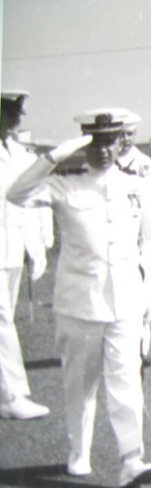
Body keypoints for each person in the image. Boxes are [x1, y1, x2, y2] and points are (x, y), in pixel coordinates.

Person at [7, 108, 151, 488]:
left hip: (126, 301)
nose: (103, 150)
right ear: (83, 144)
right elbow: (15, 193)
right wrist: (55, 155)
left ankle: (132, 460)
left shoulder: (139, 185)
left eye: (110, 141)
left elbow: (150, 244)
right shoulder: (65, 185)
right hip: (79, 303)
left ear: (121, 142)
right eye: (94, 142)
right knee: (79, 385)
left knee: (127, 383)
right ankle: (79, 452)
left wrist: (149, 297)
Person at [0, 90, 51, 420]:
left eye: (19, 112)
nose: (18, 117)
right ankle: (11, 396)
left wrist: (39, 245)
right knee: (1, 320)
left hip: (12, 247)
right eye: (10, 110)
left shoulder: (22, 154)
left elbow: (35, 201)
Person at [117, 111, 151, 368]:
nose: (125, 139)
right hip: (121, 236)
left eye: (130, 134)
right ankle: (126, 348)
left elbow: (150, 206)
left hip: (146, 235)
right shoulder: (107, 163)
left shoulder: (143, 163)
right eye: (120, 134)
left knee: (148, 298)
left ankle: (141, 348)